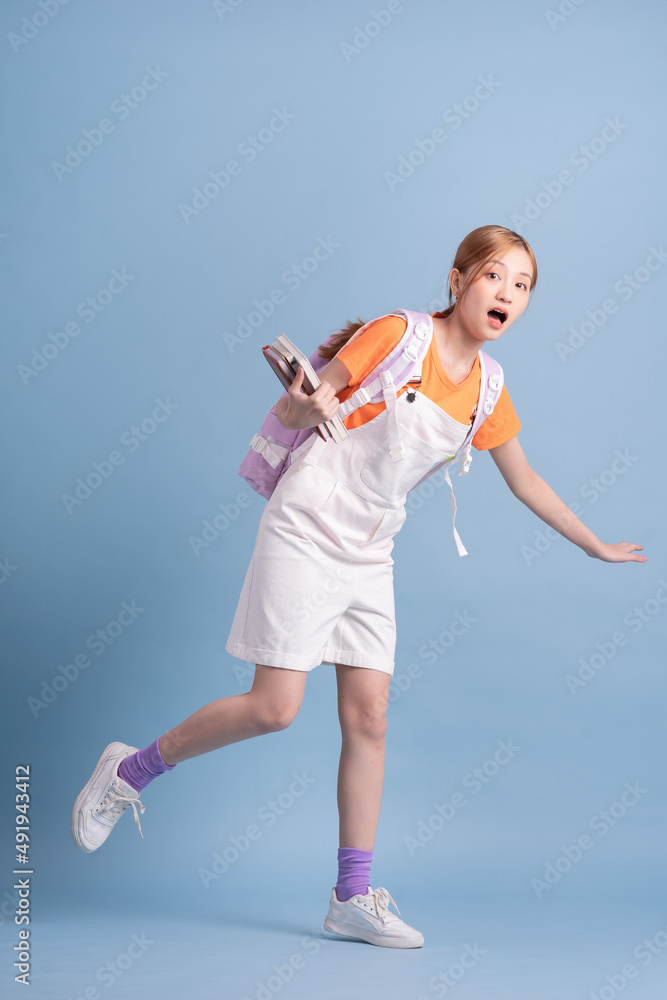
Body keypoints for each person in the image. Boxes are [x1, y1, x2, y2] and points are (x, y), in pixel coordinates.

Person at [70, 225, 646, 949]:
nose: (507, 293)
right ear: (457, 280)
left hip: (371, 551)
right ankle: (131, 769)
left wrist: (592, 544)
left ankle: (350, 897)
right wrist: (306, 407)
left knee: (369, 718)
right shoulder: (397, 334)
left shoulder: (489, 390)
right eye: (495, 276)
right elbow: (308, 401)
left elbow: (523, 479)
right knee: (275, 709)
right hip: (307, 527)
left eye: (522, 285)